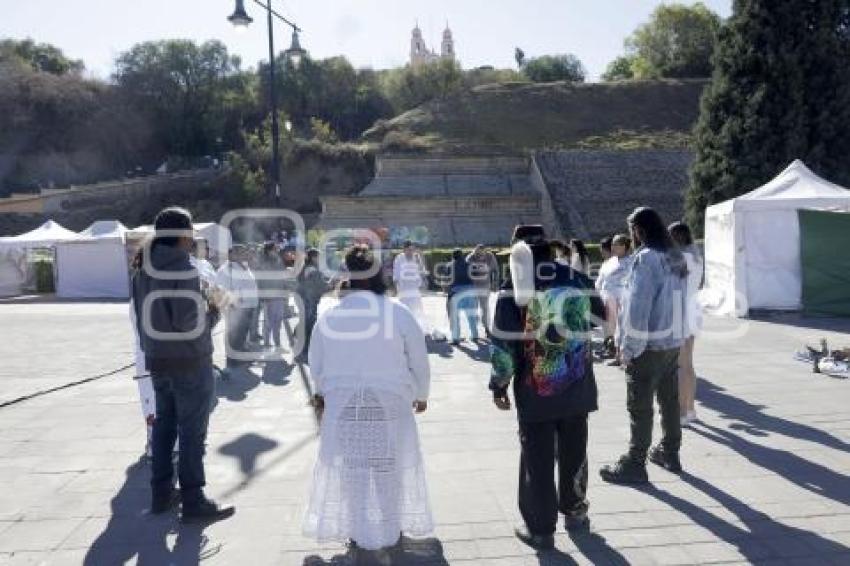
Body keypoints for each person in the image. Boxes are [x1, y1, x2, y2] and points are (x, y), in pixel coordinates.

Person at [303, 245, 433, 551]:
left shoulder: (329, 317)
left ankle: (358, 532)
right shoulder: (398, 313)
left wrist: (324, 396)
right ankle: (391, 529)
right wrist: (421, 394)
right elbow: (419, 360)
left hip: (345, 405)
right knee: (388, 468)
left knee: (353, 471)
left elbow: (316, 365)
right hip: (390, 403)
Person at [490, 225, 603, 549]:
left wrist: (499, 385)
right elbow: (600, 315)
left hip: (535, 392)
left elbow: (503, 346)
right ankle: (576, 511)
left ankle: (541, 529)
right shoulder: (576, 278)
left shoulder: (513, 290)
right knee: (574, 452)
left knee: (537, 460)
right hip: (577, 385)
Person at [131, 206, 234, 523]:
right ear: (183, 235)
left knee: (164, 427)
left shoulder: (142, 269)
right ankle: (193, 500)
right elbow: (189, 323)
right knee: (192, 433)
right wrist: (216, 307)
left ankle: (161, 492)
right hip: (189, 362)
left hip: (158, 361)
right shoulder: (185, 271)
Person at [599, 207, 688, 484]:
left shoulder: (646, 259)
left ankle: (636, 461)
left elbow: (638, 306)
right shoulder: (675, 257)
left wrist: (628, 347)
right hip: (672, 342)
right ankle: (670, 452)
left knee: (640, 405)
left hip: (648, 344)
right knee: (669, 401)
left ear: (638, 230)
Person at [669, 222, 704, 426]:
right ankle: (690, 408)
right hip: (693, 309)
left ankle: (682, 411)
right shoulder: (696, 258)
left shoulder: (678, 259)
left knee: (680, 365)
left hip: (679, 311)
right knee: (688, 364)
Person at [129, 246, 156, 460]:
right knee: (153, 406)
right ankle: (155, 445)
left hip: (148, 358)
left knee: (153, 405)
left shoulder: (141, 283)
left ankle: (156, 443)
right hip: (150, 358)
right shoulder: (146, 286)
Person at [216, 245, 259, 374]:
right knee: (233, 335)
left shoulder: (243, 266)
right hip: (236, 307)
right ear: (231, 254)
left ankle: (241, 357)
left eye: (244, 252)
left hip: (248, 306)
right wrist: (231, 303)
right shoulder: (226, 269)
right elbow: (221, 288)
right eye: (240, 252)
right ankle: (232, 361)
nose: (243, 254)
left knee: (241, 335)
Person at [594, 234, 630, 360]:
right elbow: (602, 279)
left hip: (620, 301)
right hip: (607, 300)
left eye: (617, 244)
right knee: (609, 328)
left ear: (625, 246)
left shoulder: (631, 261)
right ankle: (611, 351)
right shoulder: (609, 262)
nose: (613, 247)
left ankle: (619, 355)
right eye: (613, 244)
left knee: (620, 328)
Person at [295, 248, 331, 364]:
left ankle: (300, 344)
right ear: (314, 257)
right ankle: (304, 350)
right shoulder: (312, 269)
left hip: (305, 299)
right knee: (309, 324)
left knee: (306, 322)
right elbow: (321, 286)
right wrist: (332, 284)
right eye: (319, 257)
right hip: (309, 300)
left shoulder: (307, 268)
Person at [256, 242, 288, 352]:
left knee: (278, 321)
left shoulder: (278, 261)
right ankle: (266, 343)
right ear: (269, 250)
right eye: (274, 249)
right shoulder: (263, 263)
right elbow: (260, 281)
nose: (277, 251)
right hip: (269, 297)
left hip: (279, 295)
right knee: (269, 321)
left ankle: (277, 344)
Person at [392, 241, 428, 330]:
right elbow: (396, 273)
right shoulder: (399, 258)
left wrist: (423, 282)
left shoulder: (416, 257)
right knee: (404, 310)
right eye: (408, 249)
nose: (411, 251)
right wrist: (396, 288)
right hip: (403, 289)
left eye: (412, 249)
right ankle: (404, 328)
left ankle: (418, 329)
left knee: (417, 310)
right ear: (404, 249)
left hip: (415, 289)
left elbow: (421, 271)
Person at [447, 248, 479, 345]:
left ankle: (456, 338)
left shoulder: (450, 266)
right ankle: (474, 336)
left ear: (453, 257)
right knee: (471, 316)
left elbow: (448, 280)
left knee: (455, 317)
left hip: (456, 293)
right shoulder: (469, 265)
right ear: (462, 256)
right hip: (470, 292)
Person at [466, 244, 500, 336]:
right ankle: (474, 330)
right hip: (473, 286)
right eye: (478, 254)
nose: (480, 256)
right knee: (473, 308)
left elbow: (496, 270)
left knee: (484, 307)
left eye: (482, 254)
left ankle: (486, 328)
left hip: (485, 286)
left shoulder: (490, 256)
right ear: (475, 252)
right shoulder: (470, 258)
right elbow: (466, 272)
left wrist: (495, 283)